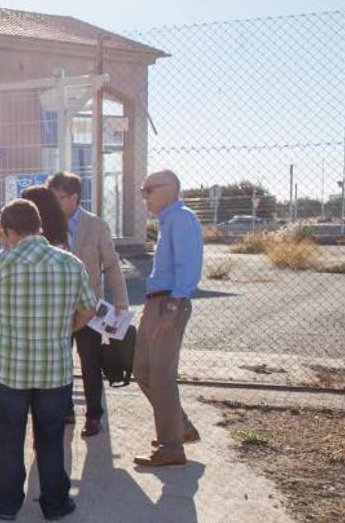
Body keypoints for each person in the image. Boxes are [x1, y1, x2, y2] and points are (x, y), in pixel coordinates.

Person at [0, 199, 97, 521]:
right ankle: (56, 504)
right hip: (54, 371)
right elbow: (89, 309)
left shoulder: (2, 263)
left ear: (7, 230)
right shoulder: (70, 263)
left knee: (8, 438)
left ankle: (5, 505)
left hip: (9, 371)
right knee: (51, 438)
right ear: (39, 226)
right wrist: (66, 332)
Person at [47, 172, 130, 438]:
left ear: (74, 197)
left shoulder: (95, 226)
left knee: (90, 363)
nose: (52, 203)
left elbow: (112, 264)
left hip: (89, 309)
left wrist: (120, 300)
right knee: (59, 363)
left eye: (57, 197)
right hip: (57, 310)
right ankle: (66, 409)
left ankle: (94, 415)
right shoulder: (46, 226)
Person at [134, 170, 204, 468]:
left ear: (171, 188)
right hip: (157, 302)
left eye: (148, 189)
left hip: (168, 303)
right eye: (142, 190)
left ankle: (171, 447)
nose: (144, 196)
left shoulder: (181, 218)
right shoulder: (168, 220)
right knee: (142, 370)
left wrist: (172, 309)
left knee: (160, 377)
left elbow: (188, 266)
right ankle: (179, 428)